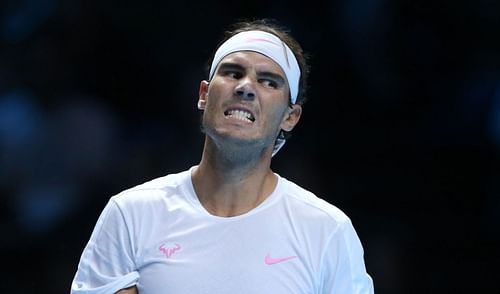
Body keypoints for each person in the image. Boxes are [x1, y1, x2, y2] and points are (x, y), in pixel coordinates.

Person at [70, 19, 374, 294]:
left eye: (269, 81)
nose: (246, 87)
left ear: (290, 117)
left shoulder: (327, 230)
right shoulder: (131, 214)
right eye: (233, 73)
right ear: (204, 95)